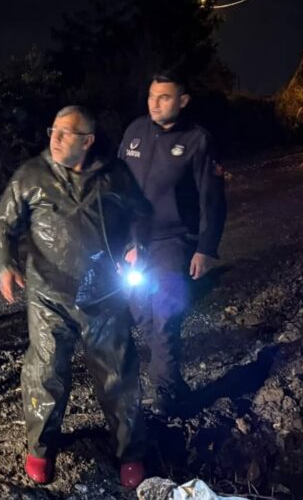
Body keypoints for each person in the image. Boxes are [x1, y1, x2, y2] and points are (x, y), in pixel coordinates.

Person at [0, 106, 148, 488]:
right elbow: (2, 223)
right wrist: (4, 264)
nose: (55, 139)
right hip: (48, 296)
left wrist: (136, 244)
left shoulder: (114, 176)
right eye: (53, 131)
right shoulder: (31, 175)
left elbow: (141, 215)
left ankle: (129, 452)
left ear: (88, 141)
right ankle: (40, 450)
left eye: (65, 133)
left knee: (118, 375)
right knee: (45, 372)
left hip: (105, 294)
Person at [119, 72, 227, 414]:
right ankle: (174, 380)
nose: (155, 103)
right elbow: (116, 186)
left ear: (182, 100)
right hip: (136, 242)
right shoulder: (135, 132)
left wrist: (205, 248)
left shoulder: (198, 141)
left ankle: (165, 393)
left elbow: (212, 199)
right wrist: (119, 241)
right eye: (151, 95)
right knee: (141, 315)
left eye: (164, 97)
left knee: (164, 314)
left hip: (174, 240)